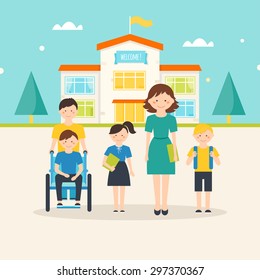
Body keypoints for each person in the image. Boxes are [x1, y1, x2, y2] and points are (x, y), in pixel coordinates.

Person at [144, 83, 179, 216]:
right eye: (156, 100)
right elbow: (147, 136)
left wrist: (175, 153)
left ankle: (165, 203)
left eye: (165, 100)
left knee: (166, 177)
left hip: (168, 146)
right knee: (155, 177)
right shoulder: (150, 119)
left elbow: (174, 137)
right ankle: (157, 203)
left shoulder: (172, 119)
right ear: (150, 101)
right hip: (154, 146)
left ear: (171, 101)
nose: (161, 103)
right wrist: (146, 152)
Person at [186, 124, 220, 213]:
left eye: (206, 136)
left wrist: (214, 157)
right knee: (198, 190)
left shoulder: (212, 149)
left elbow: (218, 163)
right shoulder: (194, 149)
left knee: (208, 190)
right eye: (199, 135)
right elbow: (187, 163)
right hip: (197, 172)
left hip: (208, 171)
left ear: (211, 137)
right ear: (195, 136)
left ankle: (207, 207)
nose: (203, 138)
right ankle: (198, 207)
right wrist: (192, 157)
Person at [103, 121, 136, 213]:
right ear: (111, 136)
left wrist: (131, 170)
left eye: (122, 135)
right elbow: (104, 162)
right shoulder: (110, 149)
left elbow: (129, 160)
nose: (119, 138)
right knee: (115, 188)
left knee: (122, 188)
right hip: (113, 167)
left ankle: (121, 206)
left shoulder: (127, 148)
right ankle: (115, 206)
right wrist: (110, 167)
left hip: (122, 167)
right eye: (115, 135)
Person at [55, 130, 83, 206]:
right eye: (65, 142)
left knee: (80, 177)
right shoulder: (59, 154)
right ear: (61, 142)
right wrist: (64, 174)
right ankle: (59, 200)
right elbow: (56, 169)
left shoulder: (77, 154)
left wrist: (76, 176)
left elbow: (80, 168)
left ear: (76, 142)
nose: (68, 144)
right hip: (63, 175)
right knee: (57, 177)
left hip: (74, 175)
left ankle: (77, 200)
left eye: (71, 142)